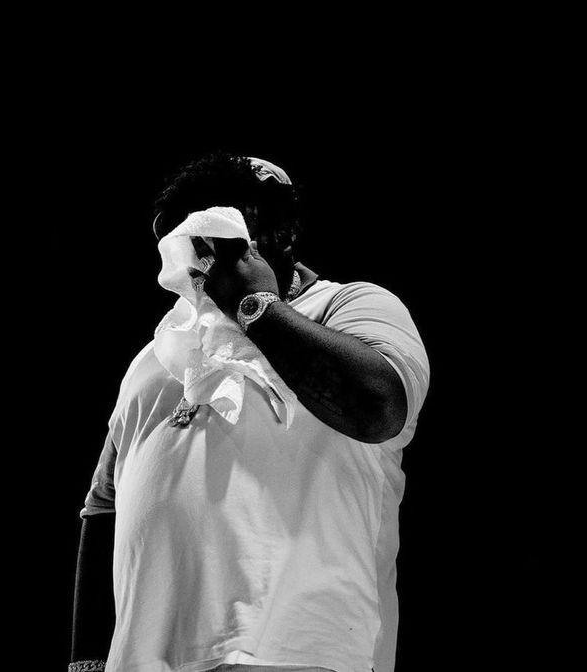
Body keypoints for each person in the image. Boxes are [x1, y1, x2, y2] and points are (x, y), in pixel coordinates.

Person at [70, 152, 430, 672]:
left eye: (223, 233)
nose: (205, 254)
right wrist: (85, 661)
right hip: (147, 660)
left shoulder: (350, 306)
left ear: (281, 235)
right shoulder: (156, 355)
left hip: (304, 651)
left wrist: (254, 305)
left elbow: (378, 408)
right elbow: (104, 508)